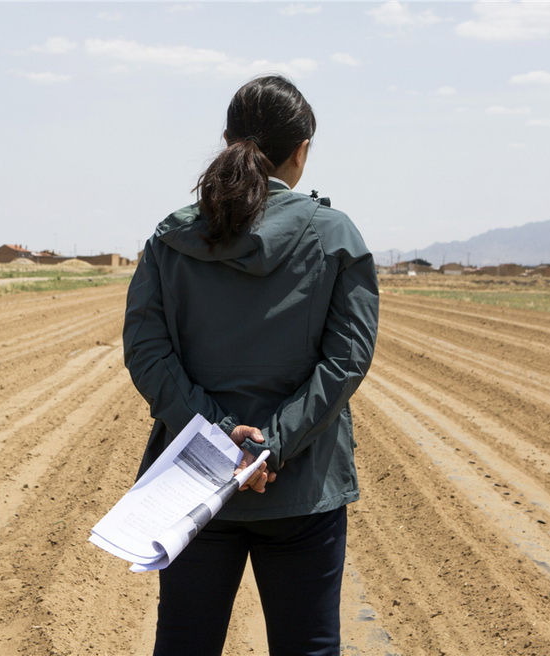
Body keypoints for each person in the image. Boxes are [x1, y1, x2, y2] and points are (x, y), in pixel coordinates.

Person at [123, 75, 379, 656]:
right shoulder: (336, 236)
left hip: (191, 485)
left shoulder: (171, 239)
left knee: (185, 644)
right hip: (302, 488)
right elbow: (346, 359)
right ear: (301, 152)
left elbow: (146, 350)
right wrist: (274, 446)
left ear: (226, 140)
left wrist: (218, 439)